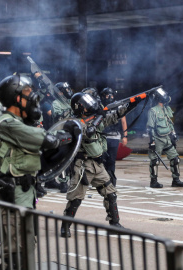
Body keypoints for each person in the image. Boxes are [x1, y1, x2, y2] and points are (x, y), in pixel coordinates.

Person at [0, 74, 79, 268]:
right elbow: (47, 139)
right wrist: (67, 134)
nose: (33, 97)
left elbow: (40, 156)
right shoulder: (7, 123)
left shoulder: (19, 123)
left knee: (25, 250)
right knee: (16, 255)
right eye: (27, 92)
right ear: (15, 97)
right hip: (11, 198)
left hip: (24, 196)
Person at [60, 92, 141, 238]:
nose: (88, 106)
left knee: (110, 193)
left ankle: (114, 224)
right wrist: (96, 121)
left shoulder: (96, 118)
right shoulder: (73, 123)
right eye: (84, 105)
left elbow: (114, 115)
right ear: (79, 107)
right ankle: (65, 226)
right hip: (83, 165)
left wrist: (132, 103)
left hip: (97, 164)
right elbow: (83, 132)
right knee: (76, 198)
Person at [147, 88, 183, 188]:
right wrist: (152, 141)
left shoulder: (165, 109)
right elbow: (150, 128)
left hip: (167, 138)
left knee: (175, 159)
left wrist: (173, 134)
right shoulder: (153, 111)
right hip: (158, 139)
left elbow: (169, 123)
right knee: (155, 161)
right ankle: (153, 181)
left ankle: (176, 180)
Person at [100, 87, 128, 186]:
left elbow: (123, 121)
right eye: (107, 95)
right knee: (102, 160)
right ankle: (103, 181)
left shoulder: (118, 106)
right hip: (102, 137)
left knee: (111, 160)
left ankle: (111, 181)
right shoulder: (100, 106)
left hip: (114, 137)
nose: (110, 97)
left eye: (111, 95)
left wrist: (125, 136)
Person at [49, 81, 75, 193]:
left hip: (72, 132)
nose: (69, 91)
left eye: (69, 89)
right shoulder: (56, 103)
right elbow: (59, 117)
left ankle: (74, 180)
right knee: (62, 159)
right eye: (66, 90)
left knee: (73, 158)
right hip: (61, 134)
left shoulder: (71, 102)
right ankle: (63, 182)